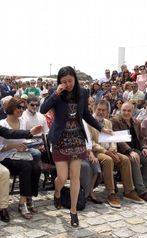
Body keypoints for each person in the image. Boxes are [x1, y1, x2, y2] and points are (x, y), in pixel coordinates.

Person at [40, 66, 112, 228]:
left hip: (77, 139)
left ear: (75, 79)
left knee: (75, 177)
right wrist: (56, 93)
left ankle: (73, 211)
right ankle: (57, 191)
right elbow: (43, 109)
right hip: (60, 139)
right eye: (64, 81)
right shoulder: (56, 93)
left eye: (70, 80)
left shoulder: (83, 93)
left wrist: (101, 128)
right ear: (59, 81)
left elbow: (85, 115)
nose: (67, 84)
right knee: (62, 177)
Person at [89, 100, 144, 207]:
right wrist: (106, 152)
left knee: (125, 159)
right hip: (96, 152)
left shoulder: (107, 122)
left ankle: (129, 190)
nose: (101, 112)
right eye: (99, 109)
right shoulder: (89, 122)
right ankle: (111, 192)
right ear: (94, 109)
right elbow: (90, 142)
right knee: (108, 160)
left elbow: (112, 138)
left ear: (107, 111)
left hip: (109, 149)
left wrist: (113, 149)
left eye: (103, 110)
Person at [0, 97, 41, 219]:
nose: (21, 110)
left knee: (36, 166)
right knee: (26, 165)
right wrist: (14, 146)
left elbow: (23, 140)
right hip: (6, 156)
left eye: (23, 107)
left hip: (21, 154)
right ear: (12, 107)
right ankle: (23, 203)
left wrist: (28, 145)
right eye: (19, 107)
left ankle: (28, 197)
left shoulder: (22, 121)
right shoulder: (2, 124)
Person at [111, 102, 147, 203]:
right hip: (122, 150)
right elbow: (118, 139)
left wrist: (144, 148)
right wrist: (130, 151)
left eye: (129, 111)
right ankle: (141, 191)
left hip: (135, 149)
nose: (126, 113)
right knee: (135, 159)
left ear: (133, 111)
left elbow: (141, 138)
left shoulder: (136, 122)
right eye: (124, 110)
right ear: (120, 110)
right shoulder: (115, 121)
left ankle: (141, 185)